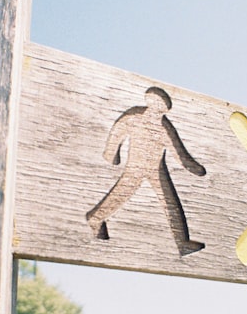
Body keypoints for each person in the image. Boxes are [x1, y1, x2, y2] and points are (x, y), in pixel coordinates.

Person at [86, 86, 206, 255]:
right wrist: (111, 154)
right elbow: (117, 133)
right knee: (121, 195)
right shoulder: (135, 117)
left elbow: (178, 152)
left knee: (170, 202)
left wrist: (196, 169)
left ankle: (182, 243)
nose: (161, 109)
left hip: (156, 169)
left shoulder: (163, 126)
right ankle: (95, 219)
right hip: (136, 167)